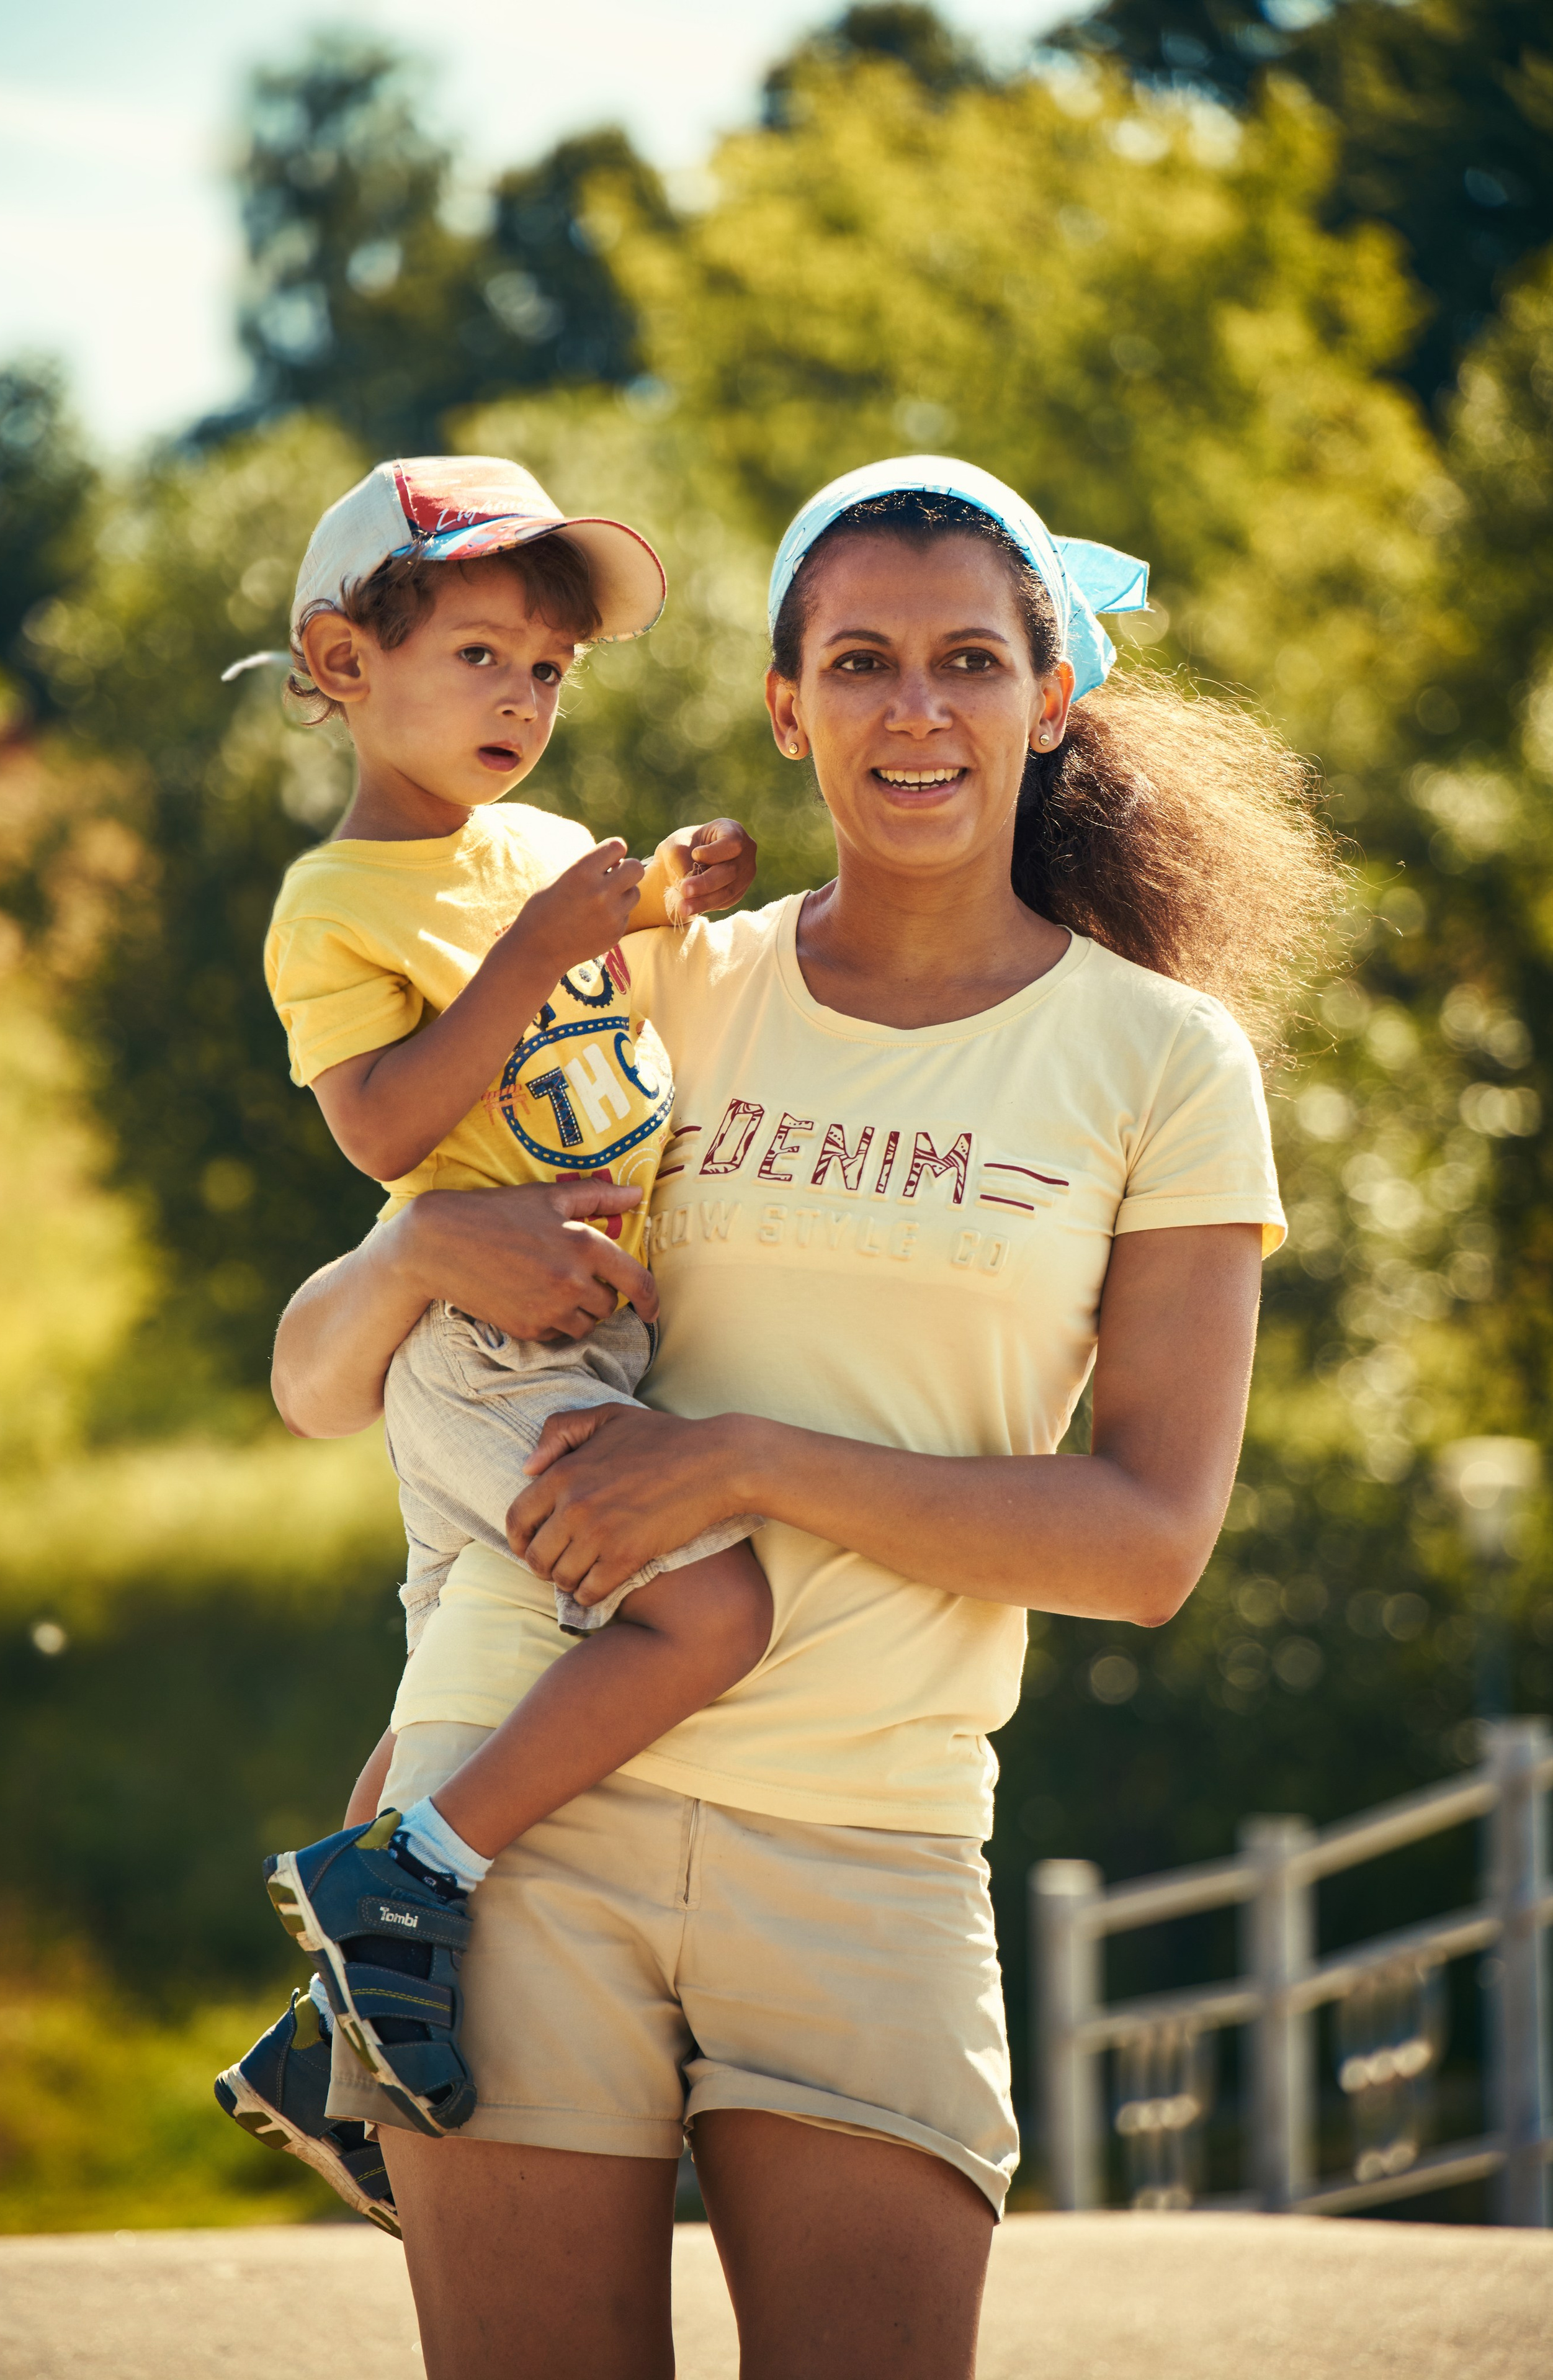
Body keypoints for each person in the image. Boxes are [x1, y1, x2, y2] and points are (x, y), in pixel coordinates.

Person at [264, 456, 1337, 2380]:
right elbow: (317, 1378)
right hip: (519, 1830)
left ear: (1049, 696)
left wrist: (746, 1464)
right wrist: (428, 1244)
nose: (912, 709)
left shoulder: (1163, 1062)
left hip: (871, 1841)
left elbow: (1151, 1540)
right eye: (858, 661)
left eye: (964, 662)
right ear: (787, 704)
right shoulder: (661, 983)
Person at [215, 456, 771, 2221]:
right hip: (489, 1348)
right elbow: (384, 1133)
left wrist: (669, 895)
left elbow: (614, 991)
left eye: (548, 669)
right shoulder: (338, 902)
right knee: (711, 1603)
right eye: (479, 654)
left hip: (580, 1338)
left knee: (450, 1689)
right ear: (342, 658)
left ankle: (318, 2040)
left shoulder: (541, 850)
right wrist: (537, 948)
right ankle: (420, 1871)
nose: (522, 699)